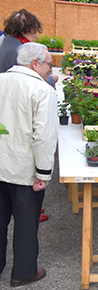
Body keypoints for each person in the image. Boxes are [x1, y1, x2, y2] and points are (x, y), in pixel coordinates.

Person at [0, 42, 57, 288]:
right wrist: (43, 173)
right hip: (25, 171)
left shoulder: (1, 80)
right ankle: (23, 271)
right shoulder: (42, 90)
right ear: (35, 63)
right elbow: (43, 136)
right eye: (49, 65)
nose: (50, 70)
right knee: (25, 223)